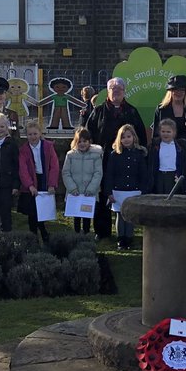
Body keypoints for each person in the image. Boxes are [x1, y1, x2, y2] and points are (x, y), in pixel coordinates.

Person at [88, 77, 148, 239]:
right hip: (102, 158)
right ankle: (102, 231)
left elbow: (141, 135)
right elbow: (89, 133)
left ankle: (126, 233)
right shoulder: (98, 111)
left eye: (119, 89)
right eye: (113, 89)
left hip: (125, 160)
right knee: (102, 194)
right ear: (108, 91)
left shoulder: (132, 111)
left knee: (125, 196)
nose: (116, 91)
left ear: (124, 92)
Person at [103, 123, 149, 250]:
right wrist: (109, 192)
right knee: (120, 215)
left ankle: (129, 239)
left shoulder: (139, 155)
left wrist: (142, 191)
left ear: (134, 137)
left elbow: (143, 174)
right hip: (118, 190)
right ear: (119, 139)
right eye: (123, 137)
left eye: (129, 136)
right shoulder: (114, 155)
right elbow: (109, 175)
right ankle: (120, 239)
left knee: (130, 217)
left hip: (134, 191)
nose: (126, 140)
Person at [18, 117, 60, 243]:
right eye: (30, 134)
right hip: (32, 180)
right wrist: (30, 185)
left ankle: (43, 232)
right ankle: (34, 235)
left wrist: (52, 184)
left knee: (42, 209)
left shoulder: (48, 146)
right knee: (32, 211)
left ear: (40, 133)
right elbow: (23, 169)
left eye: (35, 134)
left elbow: (54, 166)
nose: (33, 137)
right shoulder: (24, 150)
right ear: (26, 136)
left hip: (44, 179)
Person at [62, 127, 103, 234]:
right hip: (75, 193)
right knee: (76, 217)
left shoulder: (96, 155)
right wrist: (72, 188)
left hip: (88, 194)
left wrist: (91, 189)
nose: (82, 144)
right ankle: (76, 237)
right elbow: (66, 173)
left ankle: (86, 236)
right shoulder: (70, 155)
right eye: (79, 141)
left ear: (89, 141)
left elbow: (98, 173)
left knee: (86, 217)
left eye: (84, 141)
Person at [151, 74, 186, 147]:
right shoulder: (161, 109)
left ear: (185, 92)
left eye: (182, 90)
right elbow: (156, 133)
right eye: (176, 90)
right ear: (170, 92)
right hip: (166, 148)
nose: (179, 92)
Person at [148, 117, 186, 195]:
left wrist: (180, 175)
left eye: (168, 132)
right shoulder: (154, 146)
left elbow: (183, 165)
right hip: (159, 177)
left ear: (174, 132)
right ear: (159, 132)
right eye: (163, 131)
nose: (165, 134)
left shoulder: (180, 147)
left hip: (174, 177)